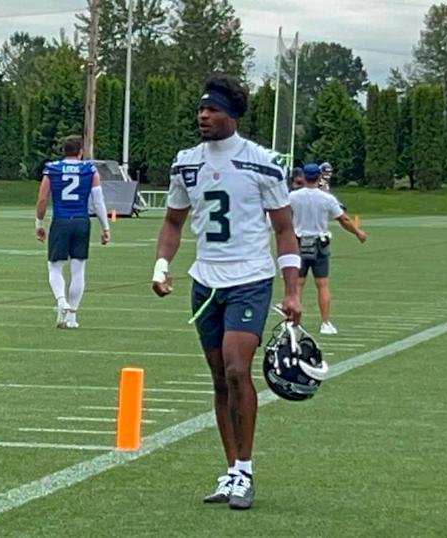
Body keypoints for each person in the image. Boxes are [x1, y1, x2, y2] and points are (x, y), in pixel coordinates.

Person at [151, 74, 301, 511]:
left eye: (213, 109)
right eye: (201, 109)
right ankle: (232, 468)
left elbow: (284, 229)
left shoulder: (263, 162)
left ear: (232, 114)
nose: (204, 115)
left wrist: (292, 291)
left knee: (238, 369)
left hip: (250, 278)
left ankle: (246, 470)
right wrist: (161, 266)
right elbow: (173, 222)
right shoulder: (186, 163)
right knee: (220, 377)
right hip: (205, 280)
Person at [35, 135, 111, 329]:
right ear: (80, 152)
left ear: (63, 150)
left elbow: (42, 199)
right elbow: (98, 201)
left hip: (61, 220)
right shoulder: (89, 170)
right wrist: (105, 227)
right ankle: (71, 317)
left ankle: (61, 301)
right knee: (78, 269)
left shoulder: (52, 169)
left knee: (55, 267)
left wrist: (39, 223)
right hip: (81, 221)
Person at [289, 163, 367, 335]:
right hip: (319, 243)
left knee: (298, 285)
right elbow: (343, 219)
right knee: (322, 285)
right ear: (319, 177)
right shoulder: (327, 198)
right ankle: (325, 323)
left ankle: (294, 323)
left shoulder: (293, 197)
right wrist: (358, 232)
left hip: (299, 242)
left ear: (304, 177)